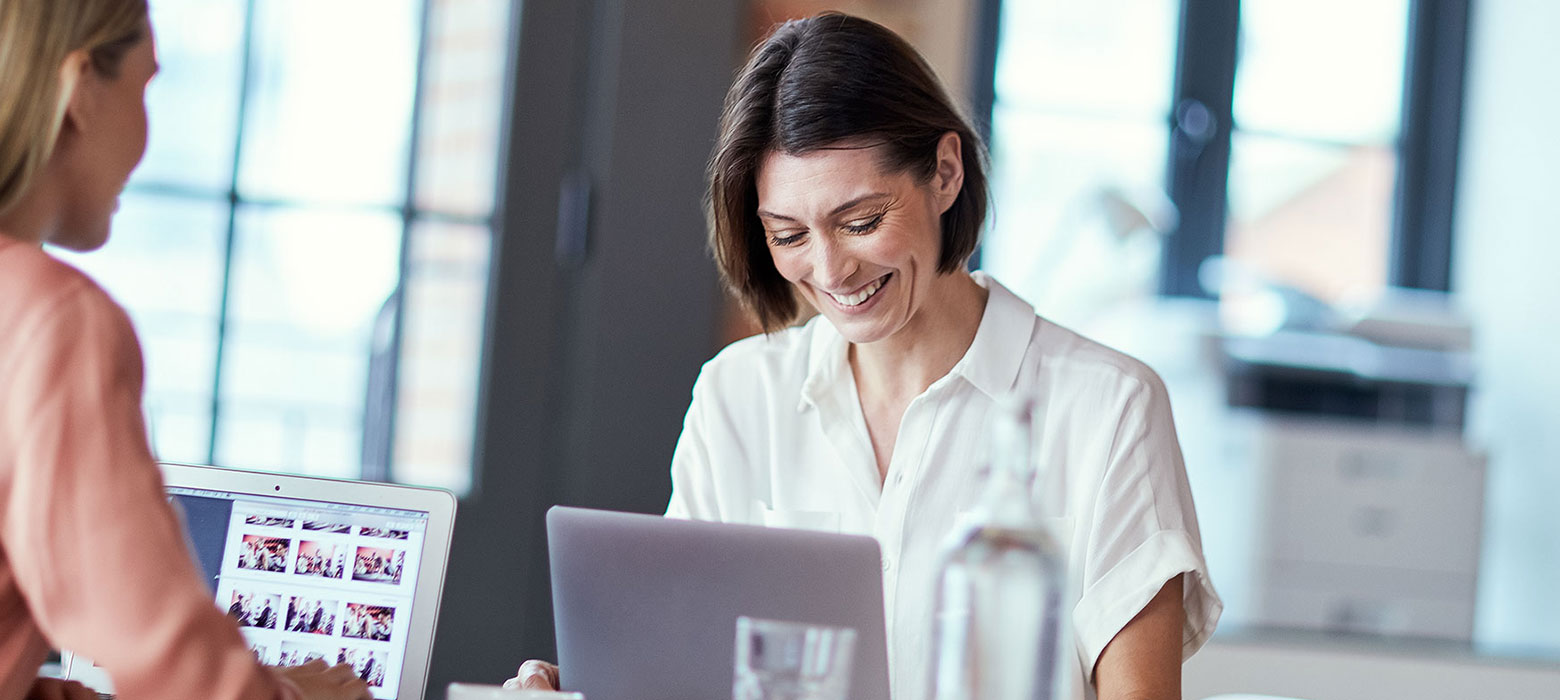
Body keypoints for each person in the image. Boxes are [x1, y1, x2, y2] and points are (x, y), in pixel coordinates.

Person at [510, 11, 1220, 700]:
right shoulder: (738, 396)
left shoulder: (1106, 406)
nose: (831, 270)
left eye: (860, 221)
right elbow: (678, 671)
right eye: (788, 235)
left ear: (945, 173)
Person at [0, 2, 372, 699]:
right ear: (79, 89)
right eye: (147, 88)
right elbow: (182, 673)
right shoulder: (54, 321)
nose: (147, 137)